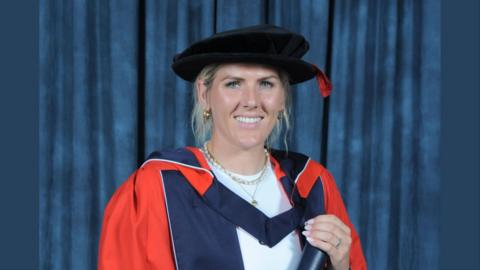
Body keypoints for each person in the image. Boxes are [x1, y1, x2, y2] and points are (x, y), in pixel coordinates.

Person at [98, 25, 366, 270]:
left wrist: (341, 265)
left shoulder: (313, 185)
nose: (251, 100)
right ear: (204, 95)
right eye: (234, 83)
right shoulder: (157, 187)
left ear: (282, 98)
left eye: (266, 84)